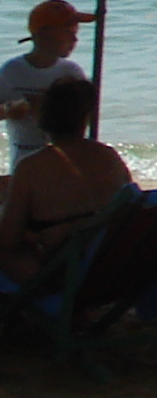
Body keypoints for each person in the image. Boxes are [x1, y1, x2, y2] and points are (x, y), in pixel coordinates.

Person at [0, 76, 131, 284]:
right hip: (108, 268)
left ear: (43, 116)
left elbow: (7, 240)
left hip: (61, 277)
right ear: (85, 117)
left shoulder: (31, 166)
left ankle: (20, 310)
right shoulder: (109, 156)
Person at [0, 0, 94, 167]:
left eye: (75, 32)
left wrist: (49, 108)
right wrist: (9, 110)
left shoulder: (72, 72)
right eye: (67, 32)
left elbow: (85, 119)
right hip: (23, 156)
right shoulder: (11, 71)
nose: (74, 39)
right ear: (43, 33)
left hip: (66, 158)